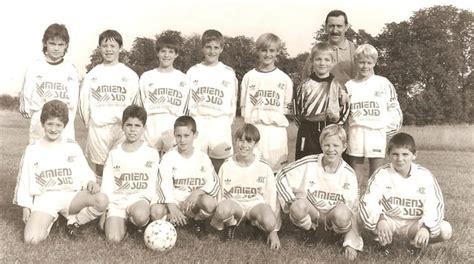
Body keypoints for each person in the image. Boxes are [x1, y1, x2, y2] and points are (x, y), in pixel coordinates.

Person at [13, 100, 108, 244]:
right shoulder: (32, 150)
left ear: (64, 125)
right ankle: (52, 220)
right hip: (46, 199)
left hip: (70, 196)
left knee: (101, 200)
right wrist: (26, 206)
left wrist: (91, 181)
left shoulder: (72, 147)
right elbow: (24, 180)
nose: (54, 129)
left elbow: (84, 171)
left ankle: (74, 221)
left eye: (58, 125)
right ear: (43, 123)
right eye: (50, 124)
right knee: (31, 239)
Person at [276, 124, 362, 261]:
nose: (331, 150)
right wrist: (289, 198)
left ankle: (336, 234)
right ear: (321, 145)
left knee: (343, 214)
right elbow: (281, 175)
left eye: (336, 146)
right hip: (313, 212)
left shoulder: (349, 174)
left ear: (344, 147)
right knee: (298, 207)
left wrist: (351, 243)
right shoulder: (309, 163)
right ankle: (309, 231)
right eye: (327, 145)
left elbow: (353, 210)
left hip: (332, 215)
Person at [359, 132, 452, 255]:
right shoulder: (381, 174)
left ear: (414, 155)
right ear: (389, 155)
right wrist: (380, 219)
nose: (400, 159)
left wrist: (426, 227)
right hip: (389, 220)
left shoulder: (424, 176)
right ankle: (383, 242)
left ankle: (414, 244)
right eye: (395, 154)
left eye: (405, 154)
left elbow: (435, 205)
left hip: (413, 224)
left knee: (445, 230)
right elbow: (368, 201)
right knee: (362, 215)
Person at [79, 29, 139, 181]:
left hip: (121, 128)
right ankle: (101, 203)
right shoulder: (93, 74)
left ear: (120, 48)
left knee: (121, 166)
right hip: (99, 128)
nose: (109, 50)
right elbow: (83, 104)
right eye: (105, 46)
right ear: (100, 48)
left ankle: (118, 203)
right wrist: (92, 123)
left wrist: (129, 125)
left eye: (113, 46)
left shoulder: (130, 75)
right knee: (100, 168)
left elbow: (135, 104)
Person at [210, 124, 281, 249]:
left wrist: (273, 231)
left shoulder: (264, 167)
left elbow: (272, 198)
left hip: (255, 205)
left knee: (269, 222)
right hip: (235, 204)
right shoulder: (227, 165)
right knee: (222, 210)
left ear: (256, 144)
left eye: (249, 141)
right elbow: (220, 195)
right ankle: (231, 224)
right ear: (235, 141)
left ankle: (255, 224)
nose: (244, 145)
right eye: (240, 140)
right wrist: (221, 219)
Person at [345, 44, 403, 192]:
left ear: (375, 63)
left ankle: (373, 205)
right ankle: (354, 204)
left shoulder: (383, 83)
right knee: (355, 173)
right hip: (356, 132)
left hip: (376, 133)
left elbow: (394, 108)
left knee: (376, 174)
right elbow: (344, 113)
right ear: (356, 62)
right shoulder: (349, 85)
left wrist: (386, 129)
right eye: (361, 62)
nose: (365, 66)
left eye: (369, 63)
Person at [150, 116, 220, 238]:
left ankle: (197, 221)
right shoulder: (169, 157)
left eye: (186, 135)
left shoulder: (202, 157)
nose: (182, 140)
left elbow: (214, 182)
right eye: (178, 136)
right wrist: (171, 206)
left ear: (195, 134)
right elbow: (163, 184)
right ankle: (173, 219)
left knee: (209, 203)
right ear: (174, 135)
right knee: (156, 212)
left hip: (193, 201)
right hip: (175, 200)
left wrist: (198, 192)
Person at [100, 105, 159, 242]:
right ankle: (123, 222)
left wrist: (151, 204)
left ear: (143, 128)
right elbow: (107, 185)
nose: (132, 130)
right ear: (122, 126)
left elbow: (153, 184)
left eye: (137, 126)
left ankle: (137, 223)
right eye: (129, 125)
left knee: (140, 215)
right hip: (117, 201)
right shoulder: (114, 153)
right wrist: (104, 211)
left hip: (138, 199)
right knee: (113, 238)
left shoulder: (151, 152)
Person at [186, 29, 238, 173]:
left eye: (216, 47)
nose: (212, 51)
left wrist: (226, 123)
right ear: (202, 48)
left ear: (221, 49)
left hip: (219, 124)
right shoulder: (193, 71)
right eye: (208, 47)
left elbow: (233, 102)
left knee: (220, 167)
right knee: (195, 164)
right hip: (198, 122)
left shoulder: (228, 72)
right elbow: (187, 102)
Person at [240, 33, 293, 173]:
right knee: (251, 171)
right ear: (257, 51)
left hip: (276, 132)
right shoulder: (249, 77)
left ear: (277, 52)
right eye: (264, 50)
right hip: (254, 130)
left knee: (275, 173)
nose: (268, 54)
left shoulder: (284, 79)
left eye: (272, 50)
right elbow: (244, 108)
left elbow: (286, 109)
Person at [19, 23, 80, 143]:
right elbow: (25, 97)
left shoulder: (71, 69)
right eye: (52, 43)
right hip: (40, 124)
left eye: (60, 44)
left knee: (63, 159)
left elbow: (73, 103)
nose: (56, 48)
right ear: (45, 43)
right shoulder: (34, 67)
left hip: (63, 125)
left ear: (66, 46)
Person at [133, 35, 189, 156]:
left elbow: (186, 109)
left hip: (173, 124)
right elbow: (140, 106)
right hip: (151, 125)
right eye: (163, 51)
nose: (166, 55)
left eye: (171, 52)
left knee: (171, 165)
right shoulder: (147, 77)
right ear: (157, 53)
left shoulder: (183, 79)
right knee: (150, 164)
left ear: (176, 54)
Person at [294, 42, 349, 160]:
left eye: (326, 60)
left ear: (333, 61)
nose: (322, 63)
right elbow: (296, 109)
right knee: (305, 163)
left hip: (330, 129)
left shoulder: (338, 85)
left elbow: (345, 109)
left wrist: (336, 127)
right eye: (318, 59)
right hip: (308, 130)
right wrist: (307, 125)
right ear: (312, 61)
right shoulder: (304, 85)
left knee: (329, 162)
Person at [324, 10, 357, 85]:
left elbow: (369, 82)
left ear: (346, 27)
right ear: (325, 27)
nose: (335, 30)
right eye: (331, 26)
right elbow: (305, 84)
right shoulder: (317, 52)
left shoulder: (357, 51)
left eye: (339, 26)